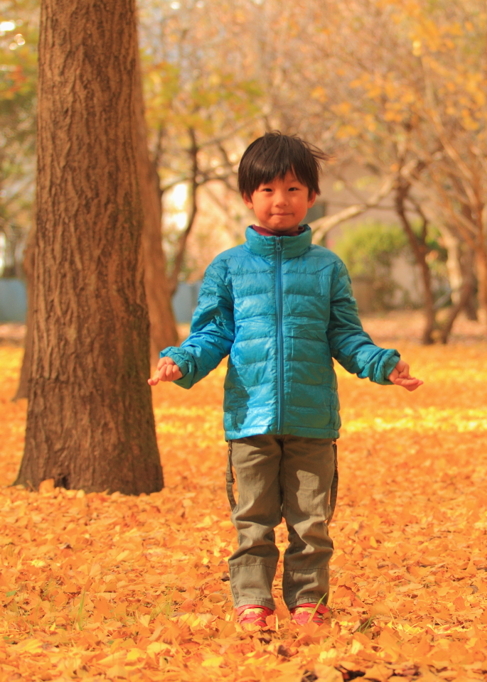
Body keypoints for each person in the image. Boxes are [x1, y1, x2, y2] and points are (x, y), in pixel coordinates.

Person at [148, 131, 422, 631]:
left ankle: (309, 602)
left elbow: (345, 335)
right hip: (248, 418)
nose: (281, 200)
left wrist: (383, 364)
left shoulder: (327, 267)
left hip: (312, 419)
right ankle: (252, 600)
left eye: (293, 189)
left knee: (311, 522)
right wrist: (182, 361)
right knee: (252, 519)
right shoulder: (228, 267)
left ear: (312, 196)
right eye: (268, 189)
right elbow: (212, 332)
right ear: (248, 196)